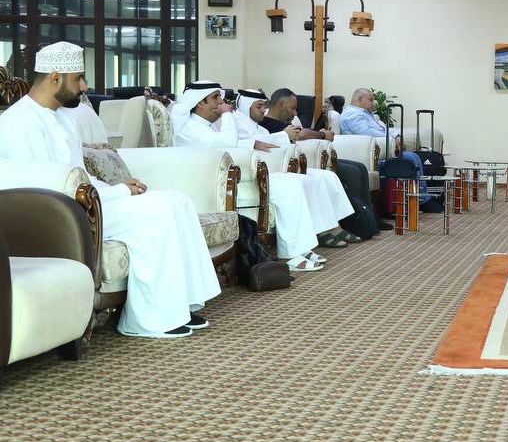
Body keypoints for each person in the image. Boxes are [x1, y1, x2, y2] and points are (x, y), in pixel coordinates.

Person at [0, 42, 220, 338]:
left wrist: (116, 187)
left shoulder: (64, 118)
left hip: (87, 200)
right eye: (78, 78)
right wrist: (117, 193)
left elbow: (80, 176)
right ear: (55, 77)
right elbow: (46, 188)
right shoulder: (18, 123)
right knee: (158, 210)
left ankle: (180, 305)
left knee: (176, 200)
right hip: (61, 214)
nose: (84, 87)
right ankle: (148, 321)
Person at [171, 82, 331, 272]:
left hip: (228, 178)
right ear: (199, 103)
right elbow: (226, 143)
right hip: (213, 187)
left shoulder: (205, 126)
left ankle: (300, 248)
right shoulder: (189, 128)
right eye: (215, 97)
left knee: (293, 181)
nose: (221, 102)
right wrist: (228, 115)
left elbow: (225, 143)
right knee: (288, 187)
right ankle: (291, 254)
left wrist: (251, 144)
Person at [233, 88, 360, 245]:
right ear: (246, 107)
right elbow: (249, 143)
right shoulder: (237, 124)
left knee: (325, 176)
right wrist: (284, 135)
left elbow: (269, 140)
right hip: (262, 173)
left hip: (279, 167)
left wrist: (284, 136)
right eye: (259, 107)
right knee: (304, 181)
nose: (263, 110)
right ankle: (319, 233)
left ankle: (333, 227)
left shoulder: (260, 126)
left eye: (263, 106)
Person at [336, 87, 429, 202]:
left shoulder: (365, 114)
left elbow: (383, 129)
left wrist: (397, 136)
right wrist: (393, 139)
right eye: (370, 100)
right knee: (410, 158)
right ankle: (420, 200)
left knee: (413, 156)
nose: (373, 103)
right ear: (359, 99)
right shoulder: (352, 115)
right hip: (368, 157)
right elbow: (367, 133)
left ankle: (421, 198)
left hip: (378, 151)